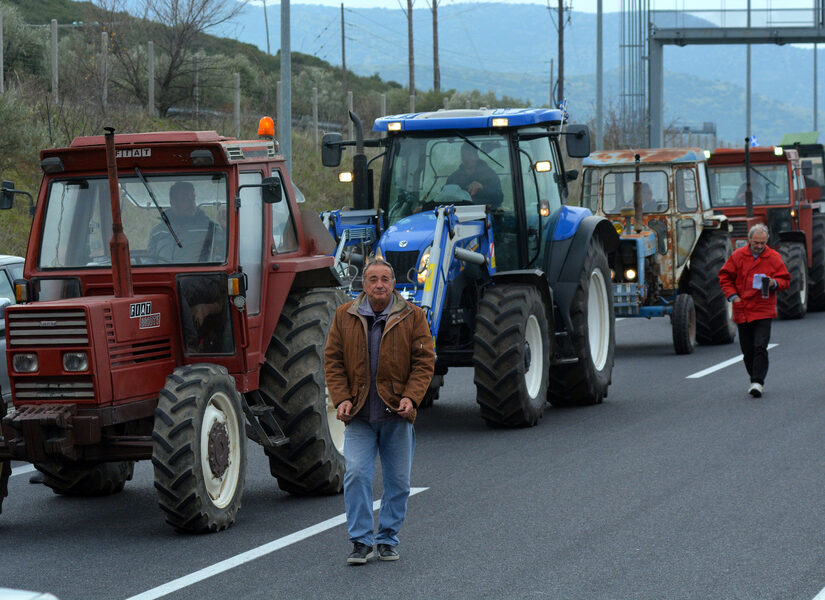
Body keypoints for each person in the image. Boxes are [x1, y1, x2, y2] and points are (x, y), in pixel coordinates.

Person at [324, 258, 435, 565]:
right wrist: (341, 398)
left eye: (385, 279)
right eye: (373, 279)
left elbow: (425, 362)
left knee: (399, 483)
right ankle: (361, 541)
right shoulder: (344, 316)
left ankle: (386, 539)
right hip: (359, 415)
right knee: (357, 474)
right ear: (364, 284)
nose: (379, 285)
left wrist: (412, 398)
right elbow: (332, 361)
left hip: (396, 415)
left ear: (393, 283)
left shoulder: (412, 317)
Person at [718, 223, 790, 397]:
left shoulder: (773, 257)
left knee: (760, 346)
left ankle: (757, 381)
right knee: (748, 350)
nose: (759, 246)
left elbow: (785, 280)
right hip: (742, 308)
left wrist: (774, 283)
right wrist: (733, 297)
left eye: (762, 243)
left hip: (763, 308)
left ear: (767, 241)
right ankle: (754, 376)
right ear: (749, 240)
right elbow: (724, 277)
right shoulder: (737, 256)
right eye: (756, 242)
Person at [147, 181, 225, 263]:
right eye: (185, 199)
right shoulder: (157, 231)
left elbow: (223, 254)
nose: (192, 203)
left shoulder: (210, 228)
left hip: (195, 275)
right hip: (163, 275)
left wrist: (225, 228)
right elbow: (150, 260)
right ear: (173, 202)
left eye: (193, 198)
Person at [446, 143, 504, 208]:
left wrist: (482, 187)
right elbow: (444, 197)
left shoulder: (490, 175)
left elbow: (499, 198)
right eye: (463, 156)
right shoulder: (453, 178)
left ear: (476, 156)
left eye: (469, 155)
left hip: (486, 214)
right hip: (459, 215)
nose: (466, 159)